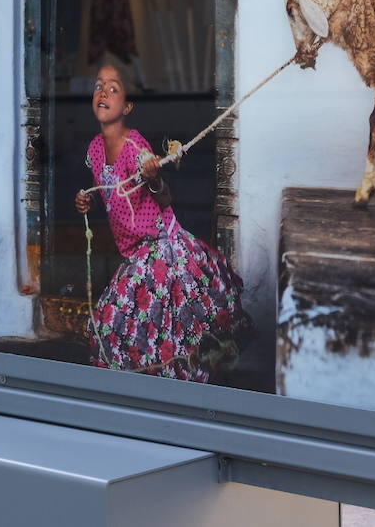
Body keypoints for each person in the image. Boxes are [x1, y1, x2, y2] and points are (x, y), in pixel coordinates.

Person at [73, 64, 252, 381]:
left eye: (113, 88)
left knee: (128, 319)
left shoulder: (136, 148)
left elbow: (164, 198)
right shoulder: (95, 150)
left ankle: (164, 389)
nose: (103, 92)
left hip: (161, 247)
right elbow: (109, 194)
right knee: (141, 322)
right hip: (134, 250)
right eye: (99, 86)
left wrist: (154, 178)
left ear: (127, 107)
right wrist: (87, 201)